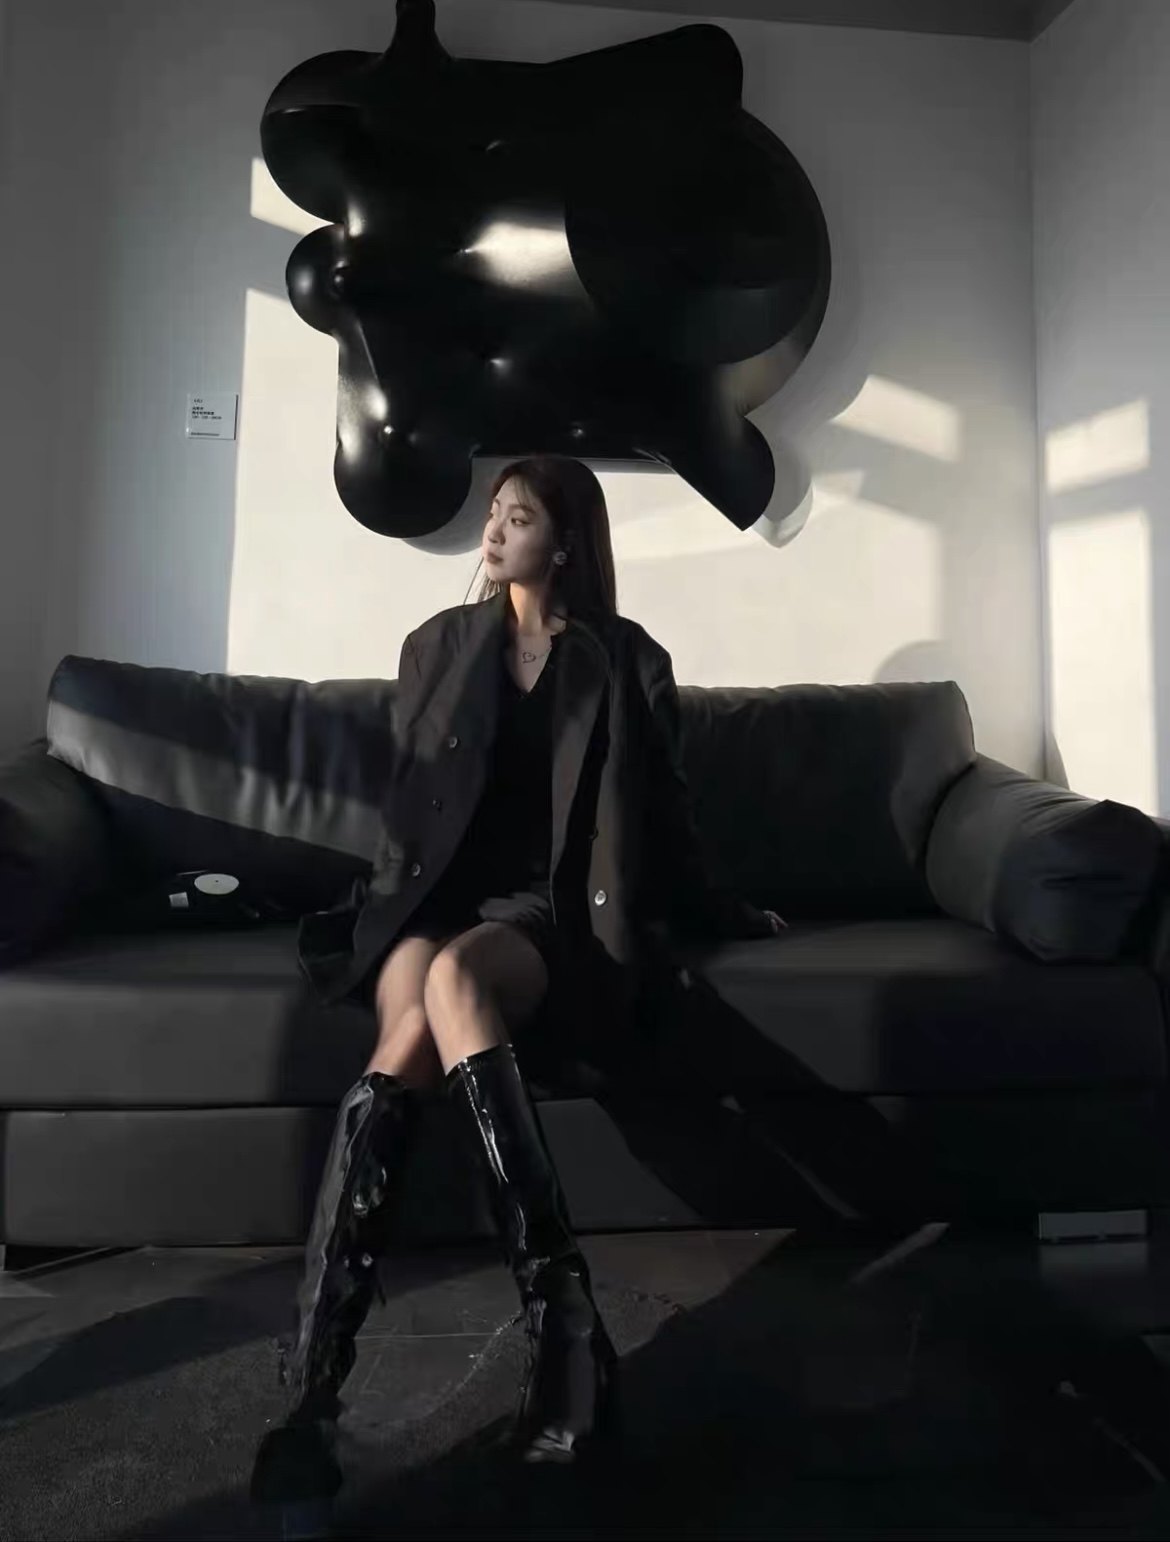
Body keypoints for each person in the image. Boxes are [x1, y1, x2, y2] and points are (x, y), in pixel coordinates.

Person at [249, 455, 785, 1528]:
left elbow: (665, 818)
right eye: (493, 514)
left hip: (543, 915)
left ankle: (545, 1338)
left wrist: (725, 912)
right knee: (404, 1033)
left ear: (567, 540)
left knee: (455, 981)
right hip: (432, 902)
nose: (492, 532)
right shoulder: (437, 647)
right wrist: (386, 911)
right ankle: (327, 1383)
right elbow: (406, 815)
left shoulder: (625, 660)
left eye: (518, 517)